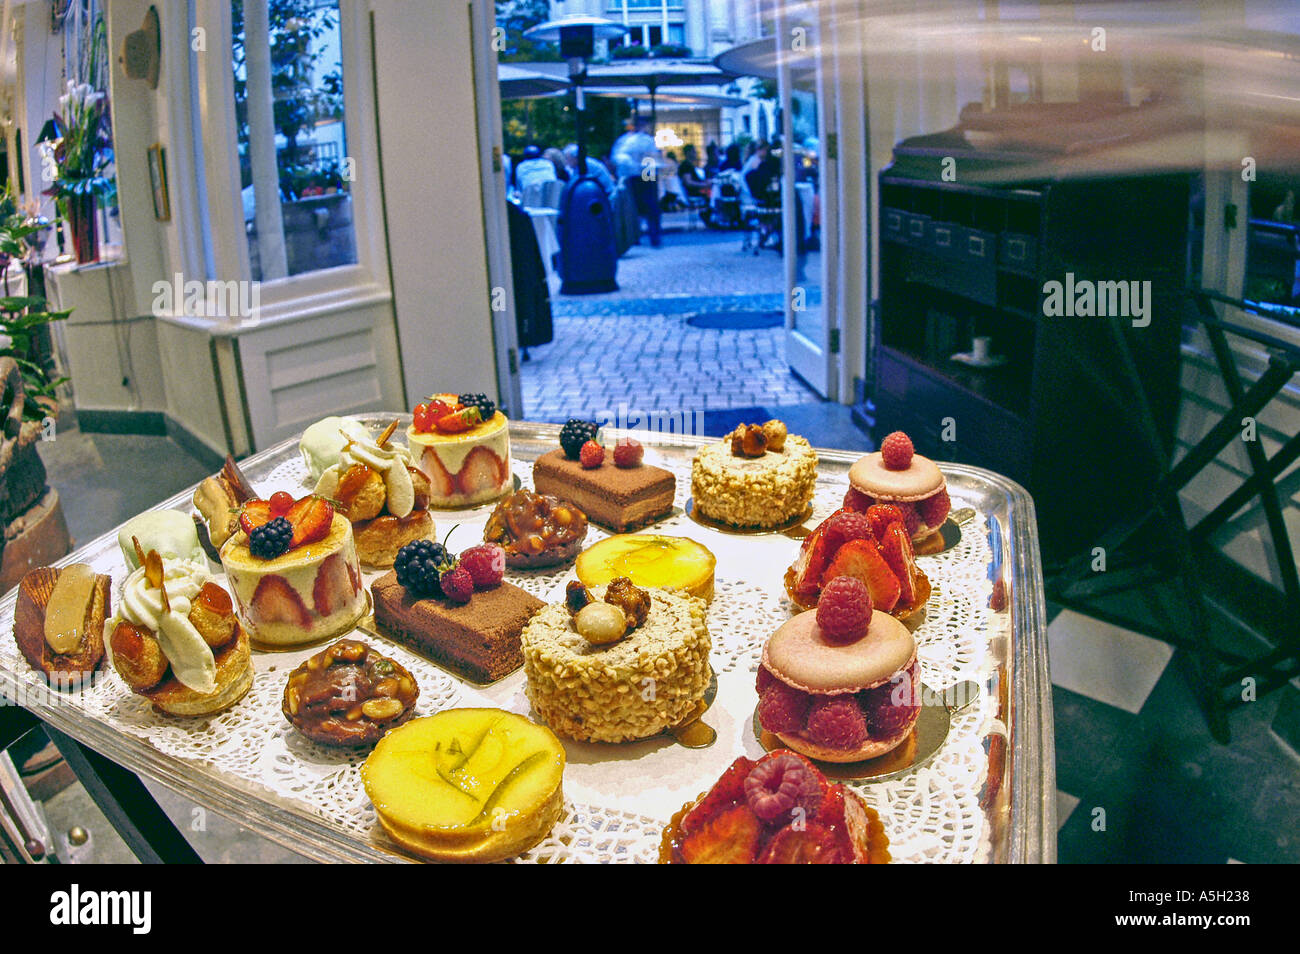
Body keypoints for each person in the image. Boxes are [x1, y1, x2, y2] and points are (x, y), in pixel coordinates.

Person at [611, 117, 662, 247]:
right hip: (639, 175)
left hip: (633, 175)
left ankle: (639, 235)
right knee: (647, 205)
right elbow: (651, 158)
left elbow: (618, 158)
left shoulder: (624, 141)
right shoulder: (640, 140)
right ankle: (651, 235)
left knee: (636, 206)